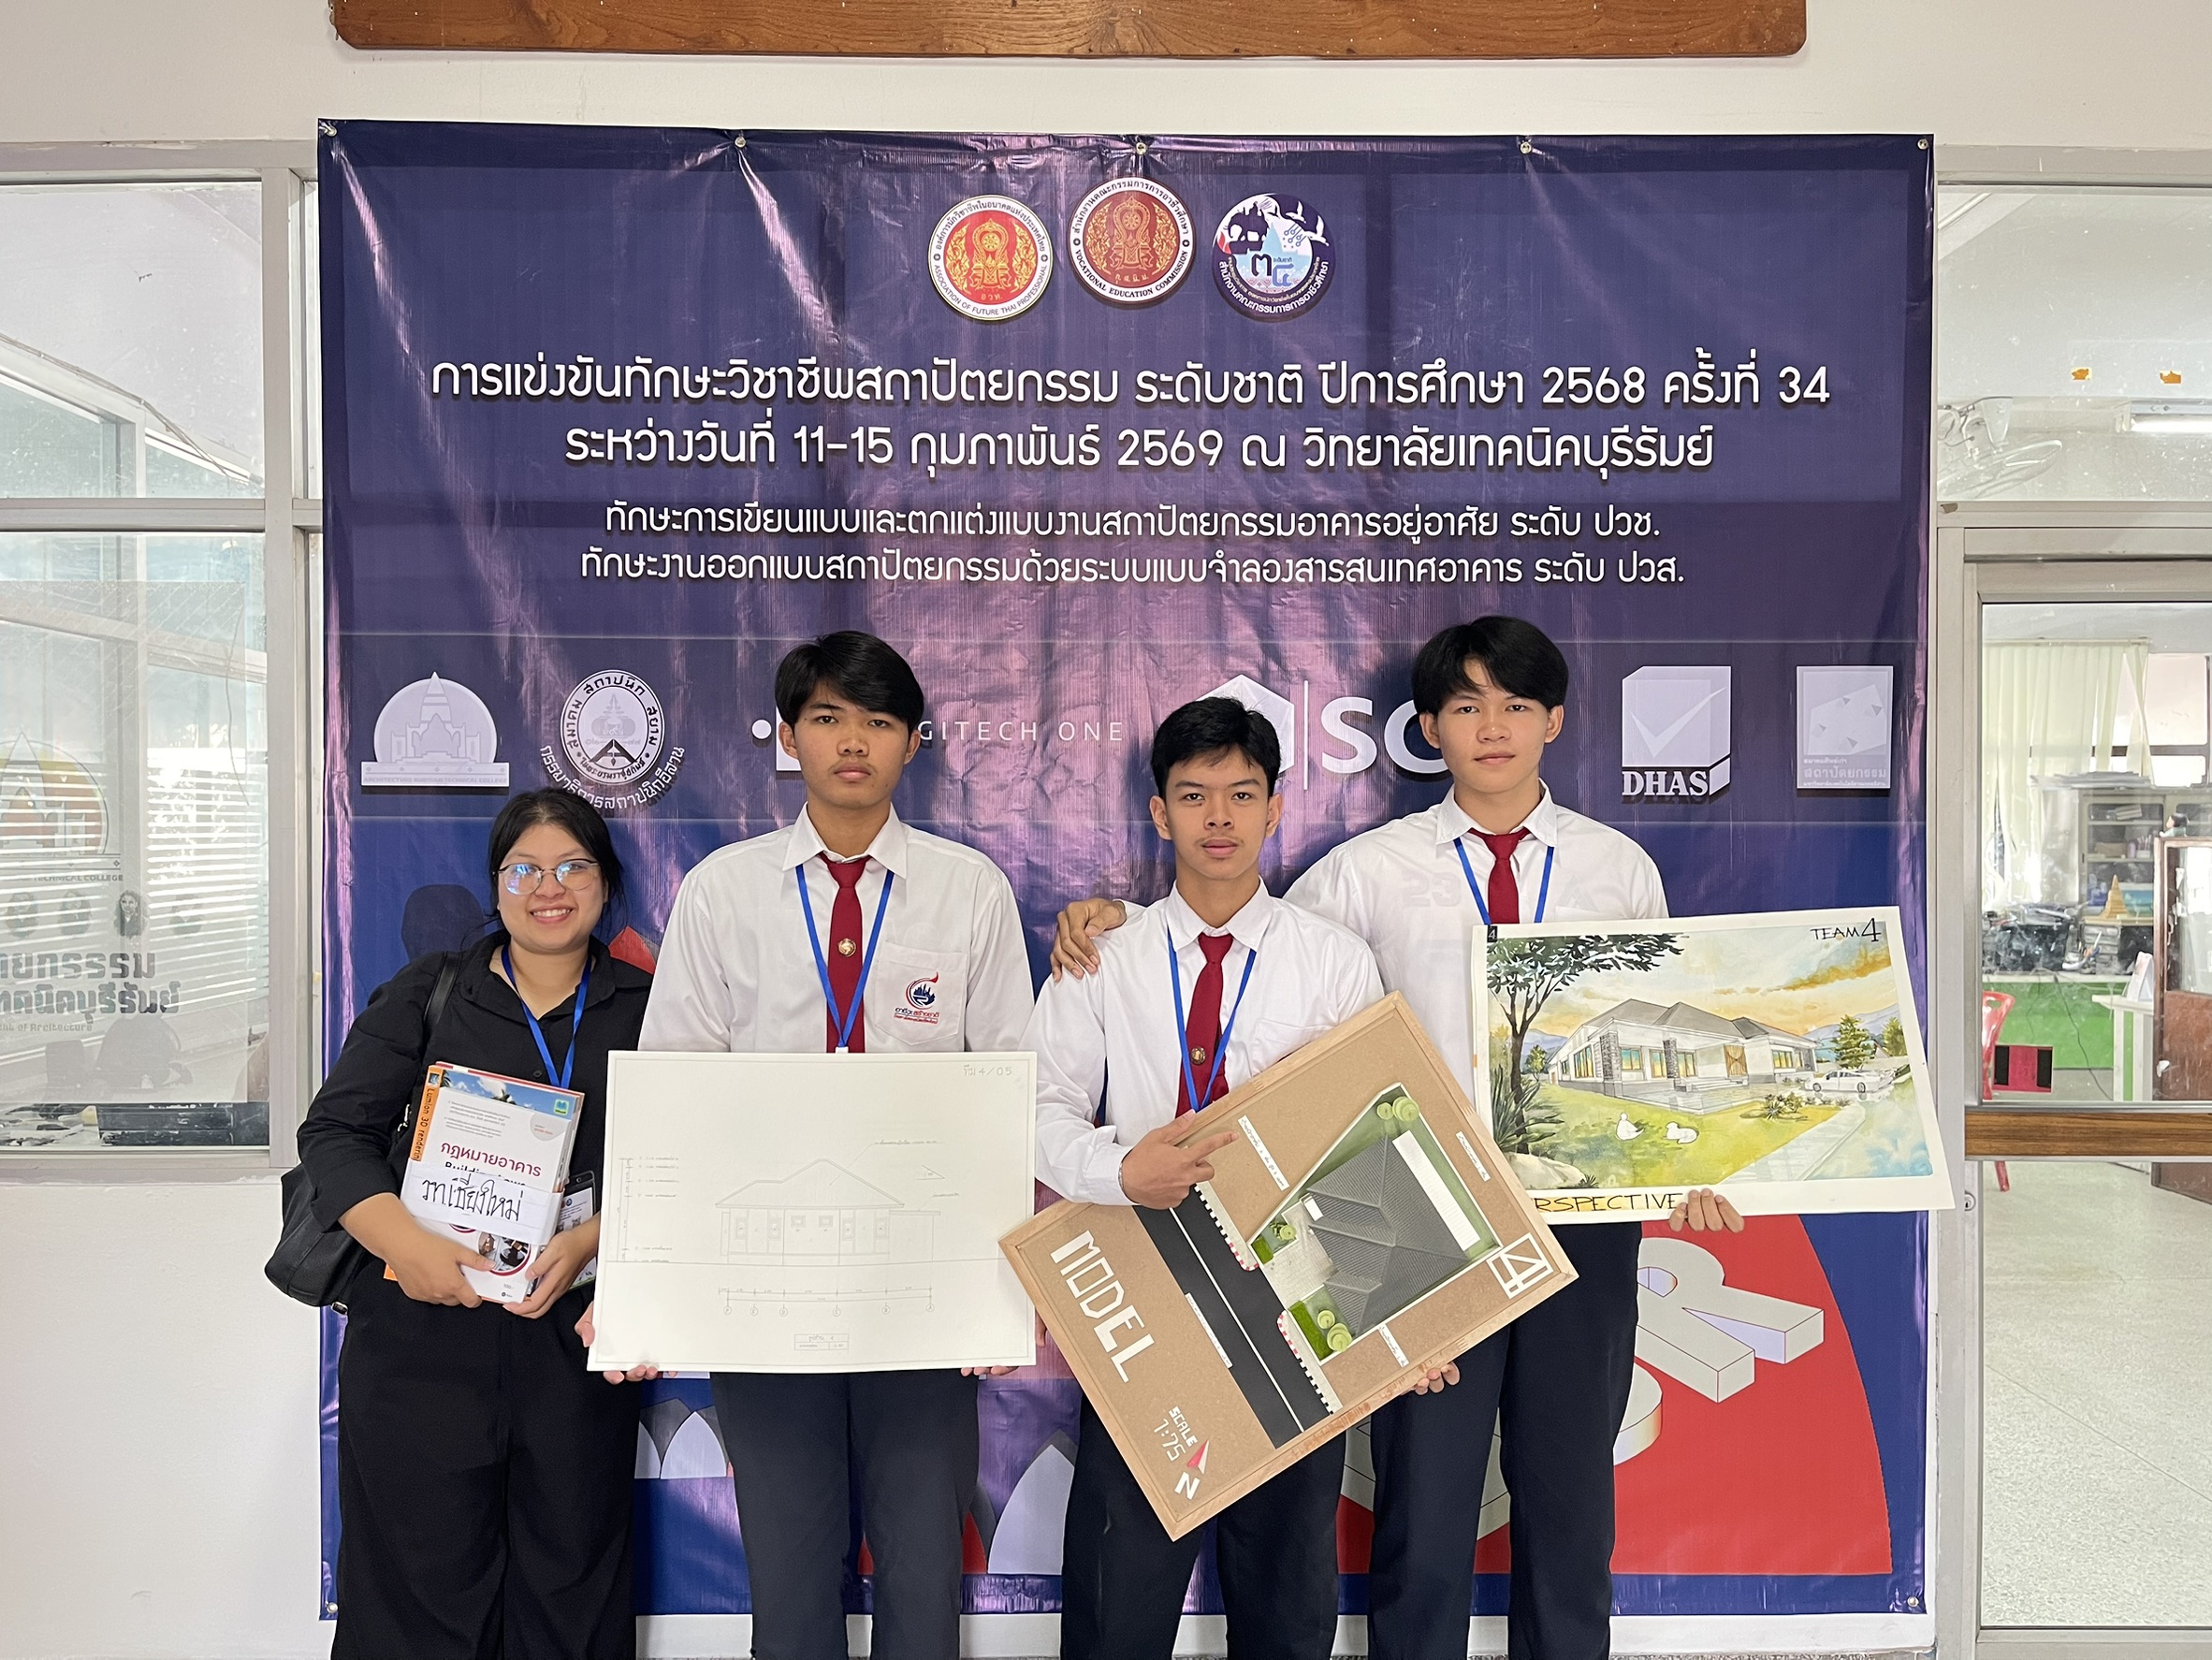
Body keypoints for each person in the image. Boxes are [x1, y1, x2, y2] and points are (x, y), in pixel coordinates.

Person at [1051, 619, 1744, 1660]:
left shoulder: (1619, 868)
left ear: (1555, 721)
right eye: (1466, 706)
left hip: (1585, 1212)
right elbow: (1254, 959)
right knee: (1425, 1499)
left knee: (1571, 1496)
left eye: (1516, 704)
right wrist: (1112, 916)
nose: (1492, 727)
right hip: (1430, 1220)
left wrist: (1686, 1165)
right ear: (1428, 728)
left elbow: (1653, 1039)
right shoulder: (1362, 875)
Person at [632, 631, 1034, 1660]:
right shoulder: (723, 891)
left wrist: (1002, 1293)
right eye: (827, 718)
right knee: (790, 1575)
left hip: (924, 1291)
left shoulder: (968, 889)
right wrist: (655, 1286)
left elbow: (1010, 1089)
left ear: (912, 742)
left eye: (877, 721)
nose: (852, 741)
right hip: (767, 1293)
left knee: (922, 1574)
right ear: (789, 737)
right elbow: (675, 1095)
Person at [1026, 696, 1384, 1660]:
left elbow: (1367, 1137)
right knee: (1123, 1588)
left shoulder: (1334, 962)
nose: (1218, 816)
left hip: (1292, 1294)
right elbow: (1038, 1107)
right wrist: (1118, 1169)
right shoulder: (1104, 957)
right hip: (1142, 1288)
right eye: (1193, 795)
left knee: (1286, 1592)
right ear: (1159, 812)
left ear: (1276, 808)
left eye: (1241, 793)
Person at [297, 787, 653, 1660]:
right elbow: (334, 1134)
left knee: (572, 1598)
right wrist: (409, 1249)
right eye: (524, 869)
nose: (549, 888)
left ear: (607, 883)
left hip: (573, 1340)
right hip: (422, 1340)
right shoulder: (430, 992)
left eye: (573, 867)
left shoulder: (650, 1008)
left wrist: (593, 1241)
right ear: (496, 885)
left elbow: (687, 1162)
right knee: (414, 1606)